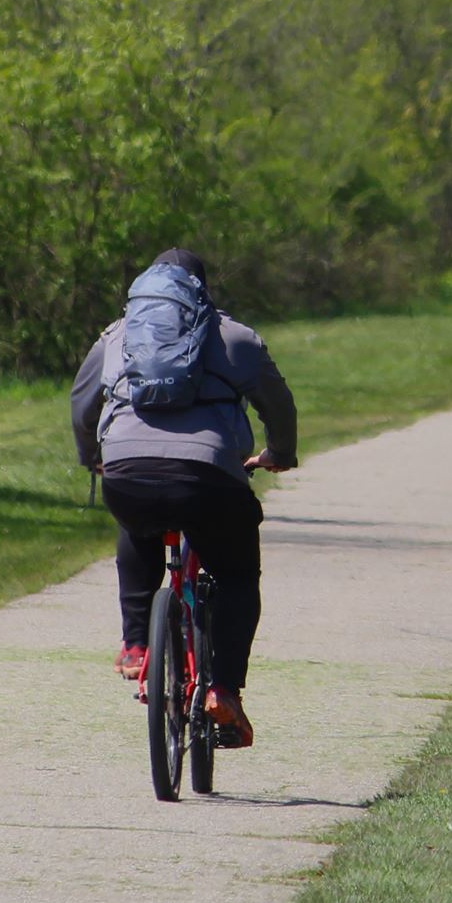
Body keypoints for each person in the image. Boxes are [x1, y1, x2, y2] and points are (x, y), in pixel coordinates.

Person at [70, 249, 297, 748]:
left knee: (137, 523)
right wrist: (278, 452)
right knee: (236, 574)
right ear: (202, 292)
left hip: (127, 472)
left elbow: (82, 403)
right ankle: (223, 690)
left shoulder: (117, 334)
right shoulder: (234, 336)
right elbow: (277, 403)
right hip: (210, 478)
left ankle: (134, 644)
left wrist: (96, 458)